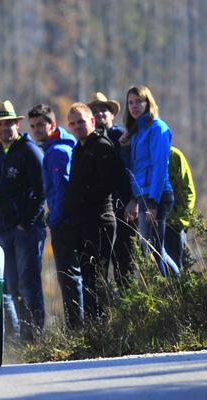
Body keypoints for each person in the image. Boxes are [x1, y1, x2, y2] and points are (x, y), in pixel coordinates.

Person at [0, 100, 46, 341]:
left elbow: (42, 190)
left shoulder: (29, 150)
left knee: (28, 286)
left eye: (8, 123)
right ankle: (17, 340)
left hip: (26, 230)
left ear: (17, 124)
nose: (4, 129)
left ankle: (35, 339)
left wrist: (27, 222)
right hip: (3, 229)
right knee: (10, 289)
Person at [64, 103, 124, 324]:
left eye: (81, 121)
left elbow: (111, 181)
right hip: (81, 222)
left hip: (99, 220)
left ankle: (104, 326)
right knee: (87, 275)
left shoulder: (101, 145)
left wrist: (83, 197)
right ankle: (92, 326)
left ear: (91, 121)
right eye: (73, 123)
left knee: (98, 276)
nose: (77, 126)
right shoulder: (79, 148)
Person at [28, 103, 82, 328]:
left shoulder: (57, 152)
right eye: (33, 126)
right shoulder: (55, 148)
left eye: (41, 124)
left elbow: (62, 189)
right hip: (66, 219)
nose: (37, 130)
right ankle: (78, 327)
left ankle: (76, 329)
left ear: (52, 124)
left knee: (68, 277)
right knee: (70, 277)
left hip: (65, 223)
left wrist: (55, 219)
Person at [121, 85, 178, 277]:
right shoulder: (137, 132)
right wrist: (124, 148)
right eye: (130, 102)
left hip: (157, 196)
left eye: (139, 101)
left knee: (153, 250)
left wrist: (153, 202)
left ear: (148, 103)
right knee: (151, 250)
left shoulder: (158, 129)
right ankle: (174, 290)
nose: (134, 106)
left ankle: (176, 290)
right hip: (144, 196)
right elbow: (136, 169)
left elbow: (159, 167)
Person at [87, 92, 134, 287]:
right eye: (95, 111)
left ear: (112, 114)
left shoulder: (121, 137)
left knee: (125, 258)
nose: (99, 114)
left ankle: (128, 304)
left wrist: (133, 200)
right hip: (100, 210)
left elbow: (132, 169)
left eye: (103, 110)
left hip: (124, 205)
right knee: (101, 260)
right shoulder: (88, 142)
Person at [165, 147, 196, 269]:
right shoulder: (145, 155)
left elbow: (188, 191)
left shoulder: (175, 156)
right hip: (153, 222)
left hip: (174, 225)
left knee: (177, 265)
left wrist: (180, 221)